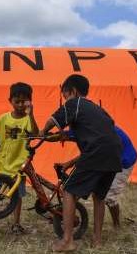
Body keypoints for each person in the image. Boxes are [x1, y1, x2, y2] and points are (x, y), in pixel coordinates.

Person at [39, 74, 122, 251]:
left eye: (65, 96)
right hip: (115, 152)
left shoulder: (74, 103)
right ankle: (97, 240)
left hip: (96, 151)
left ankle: (67, 240)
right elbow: (107, 126)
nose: (65, 100)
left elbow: (54, 119)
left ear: (73, 92)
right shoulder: (98, 109)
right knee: (99, 196)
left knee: (68, 191)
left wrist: (42, 131)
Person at [0, 82, 38, 234]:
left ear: (30, 101)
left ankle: (16, 224)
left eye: (24, 101)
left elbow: (35, 133)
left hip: (19, 166)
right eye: (17, 101)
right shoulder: (3, 118)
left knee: (16, 196)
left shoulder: (28, 120)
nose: (21, 105)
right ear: (10, 101)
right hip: (2, 164)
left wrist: (32, 114)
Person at [105, 126, 137, 228]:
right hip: (111, 159)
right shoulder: (96, 125)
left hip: (124, 161)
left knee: (110, 197)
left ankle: (117, 225)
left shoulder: (103, 129)